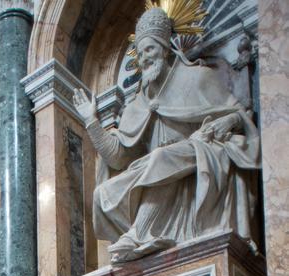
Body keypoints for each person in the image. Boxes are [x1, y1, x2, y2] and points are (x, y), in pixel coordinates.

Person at [73, 5, 260, 262]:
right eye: (139, 53)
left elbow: (241, 115)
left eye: (149, 49)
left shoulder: (198, 78)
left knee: (160, 158)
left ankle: (138, 234)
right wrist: (90, 121)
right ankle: (146, 235)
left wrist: (226, 122)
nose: (144, 58)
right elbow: (117, 156)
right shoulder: (139, 103)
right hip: (161, 170)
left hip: (202, 153)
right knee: (103, 192)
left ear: (164, 46)